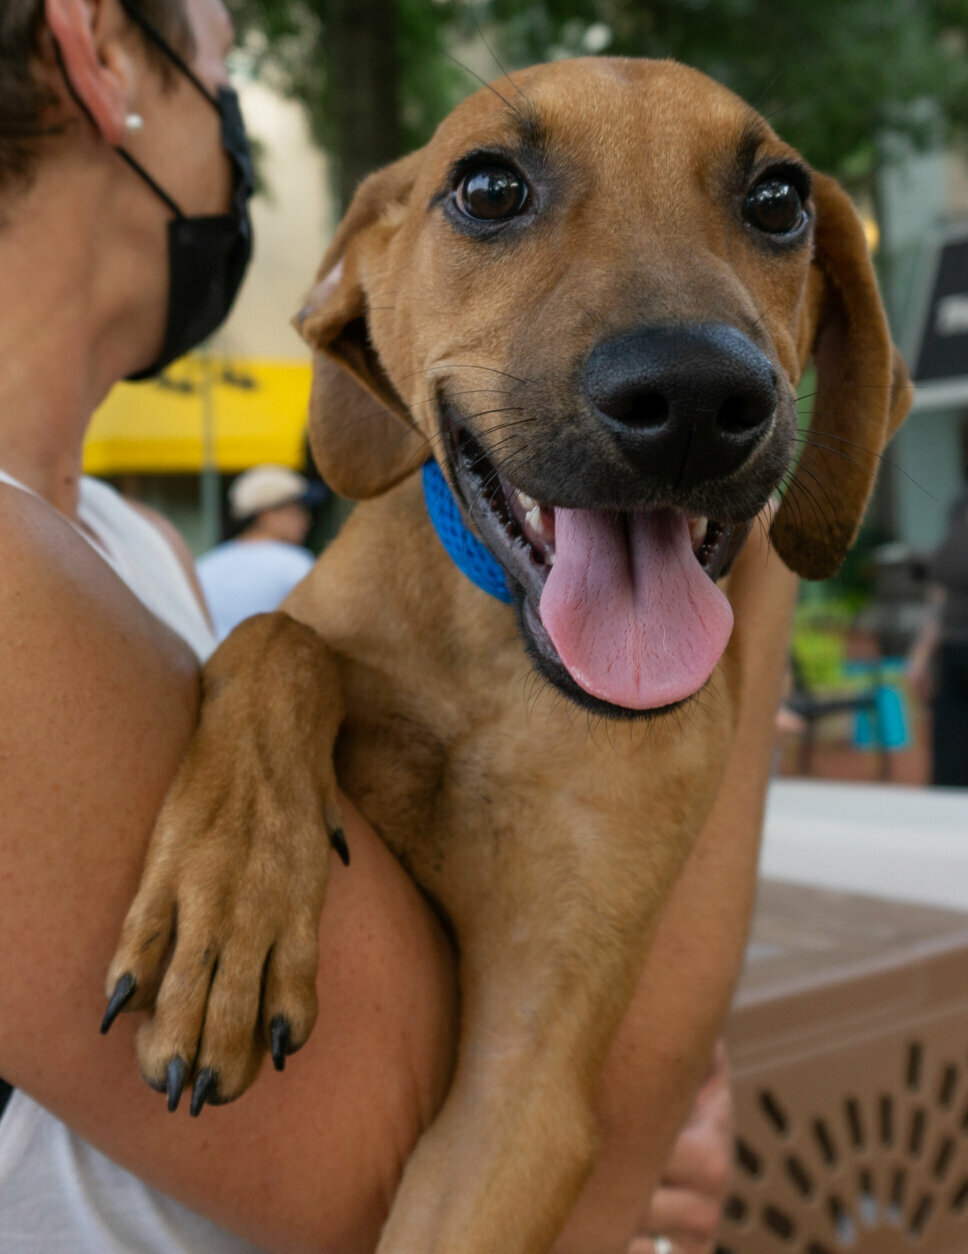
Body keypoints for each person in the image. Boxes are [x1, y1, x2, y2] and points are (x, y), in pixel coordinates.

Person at [0, 1, 798, 1250]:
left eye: (768, 211)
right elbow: (556, 1175)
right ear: (100, 48)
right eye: (489, 192)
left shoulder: (131, 541)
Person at [908, 416, 968, 788]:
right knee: (948, 771)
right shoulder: (961, 504)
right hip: (955, 649)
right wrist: (920, 655)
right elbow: (942, 590)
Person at [197, 464, 322, 640]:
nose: (306, 520)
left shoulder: (206, 564)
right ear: (267, 515)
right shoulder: (295, 563)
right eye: (297, 510)